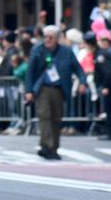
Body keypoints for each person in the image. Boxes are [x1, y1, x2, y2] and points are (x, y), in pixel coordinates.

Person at [25, 25, 86, 160]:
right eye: (45, 36)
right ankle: (45, 145)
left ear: (57, 39)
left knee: (56, 119)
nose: (47, 40)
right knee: (44, 116)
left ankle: (53, 148)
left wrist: (83, 82)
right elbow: (30, 72)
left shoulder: (67, 52)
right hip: (42, 88)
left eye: (50, 37)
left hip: (59, 88)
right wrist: (29, 90)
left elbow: (78, 68)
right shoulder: (37, 50)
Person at [93, 31, 111, 141]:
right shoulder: (108, 53)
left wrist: (105, 86)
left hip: (107, 85)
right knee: (109, 109)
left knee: (109, 109)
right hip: (109, 85)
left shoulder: (103, 54)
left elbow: (106, 71)